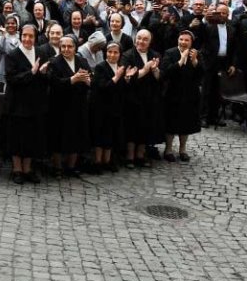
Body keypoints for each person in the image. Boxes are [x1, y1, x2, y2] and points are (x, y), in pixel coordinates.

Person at [0, 25, 51, 184]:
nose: (27, 39)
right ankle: (17, 169)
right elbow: (11, 79)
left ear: (35, 37)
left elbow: (46, 79)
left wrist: (43, 73)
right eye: (25, 35)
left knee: (31, 137)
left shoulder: (41, 53)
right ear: (21, 36)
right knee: (16, 137)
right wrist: (32, 72)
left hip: (35, 103)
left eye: (31, 36)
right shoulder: (12, 55)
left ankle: (27, 169)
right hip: (17, 104)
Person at [47, 35, 91, 177]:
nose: (66, 49)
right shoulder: (54, 62)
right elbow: (54, 83)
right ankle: (57, 167)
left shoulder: (82, 61)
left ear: (75, 47)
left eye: (70, 46)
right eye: (63, 46)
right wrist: (73, 79)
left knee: (76, 136)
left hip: (78, 104)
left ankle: (71, 166)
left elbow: (89, 79)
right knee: (58, 137)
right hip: (60, 106)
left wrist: (88, 82)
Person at [121, 30, 163, 168]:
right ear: (135, 40)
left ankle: (140, 154)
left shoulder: (155, 55)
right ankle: (130, 156)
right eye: (139, 38)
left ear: (150, 42)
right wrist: (145, 70)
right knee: (132, 127)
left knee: (146, 126)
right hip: (132, 96)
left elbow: (160, 78)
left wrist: (155, 70)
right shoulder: (127, 55)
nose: (141, 41)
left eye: (145, 39)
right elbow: (126, 77)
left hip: (149, 96)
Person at [161, 30, 202, 162]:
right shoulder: (170, 53)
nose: (183, 42)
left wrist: (195, 61)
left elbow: (201, 75)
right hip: (172, 93)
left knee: (186, 123)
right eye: (181, 39)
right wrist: (181, 60)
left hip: (189, 94)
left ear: (191, 42)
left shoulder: (195, 53)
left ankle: (182, 149)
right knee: (171, 123)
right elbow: (166, 73)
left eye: (186, 40)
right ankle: (168, 149)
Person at [89, 43, 126, 173]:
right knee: (100, 135)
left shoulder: (120, 67)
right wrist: (117, 77)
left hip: (115, 107)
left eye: (115, 52)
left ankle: (107, 161)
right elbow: (102, 87)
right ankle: (98, 162)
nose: (112, 55)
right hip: (101, 108)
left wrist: (126, 78)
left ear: (120, 54)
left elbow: (121, 89)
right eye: (110, 52)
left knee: (111, 135)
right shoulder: (100, 67)